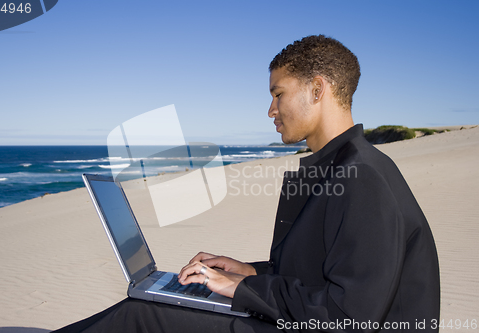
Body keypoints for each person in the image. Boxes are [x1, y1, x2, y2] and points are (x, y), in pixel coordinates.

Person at [53, 35, 440, 333]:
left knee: (144, 313)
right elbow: (318, 274)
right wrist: (250, 273)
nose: (271, 110)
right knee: (152, 304)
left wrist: (241, 289)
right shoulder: (339, 168)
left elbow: (348, 315)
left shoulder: (363, 179)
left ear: (318, 89)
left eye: (278, 94)